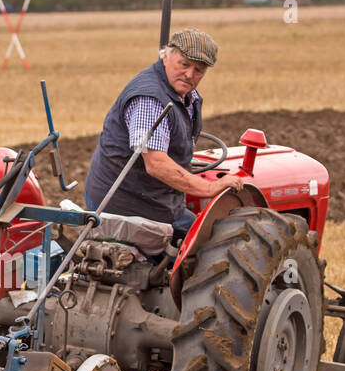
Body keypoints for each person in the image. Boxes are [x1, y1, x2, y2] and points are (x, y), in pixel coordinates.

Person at [85, 28, 243, 242]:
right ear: (166, 56)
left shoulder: (186, 95)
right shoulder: (150, 99)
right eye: (184, 64)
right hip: (126, 207)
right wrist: (209, 187)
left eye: (199, 70)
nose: (190, 74)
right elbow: (156, 164)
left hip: (152, 198)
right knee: (211, 242)